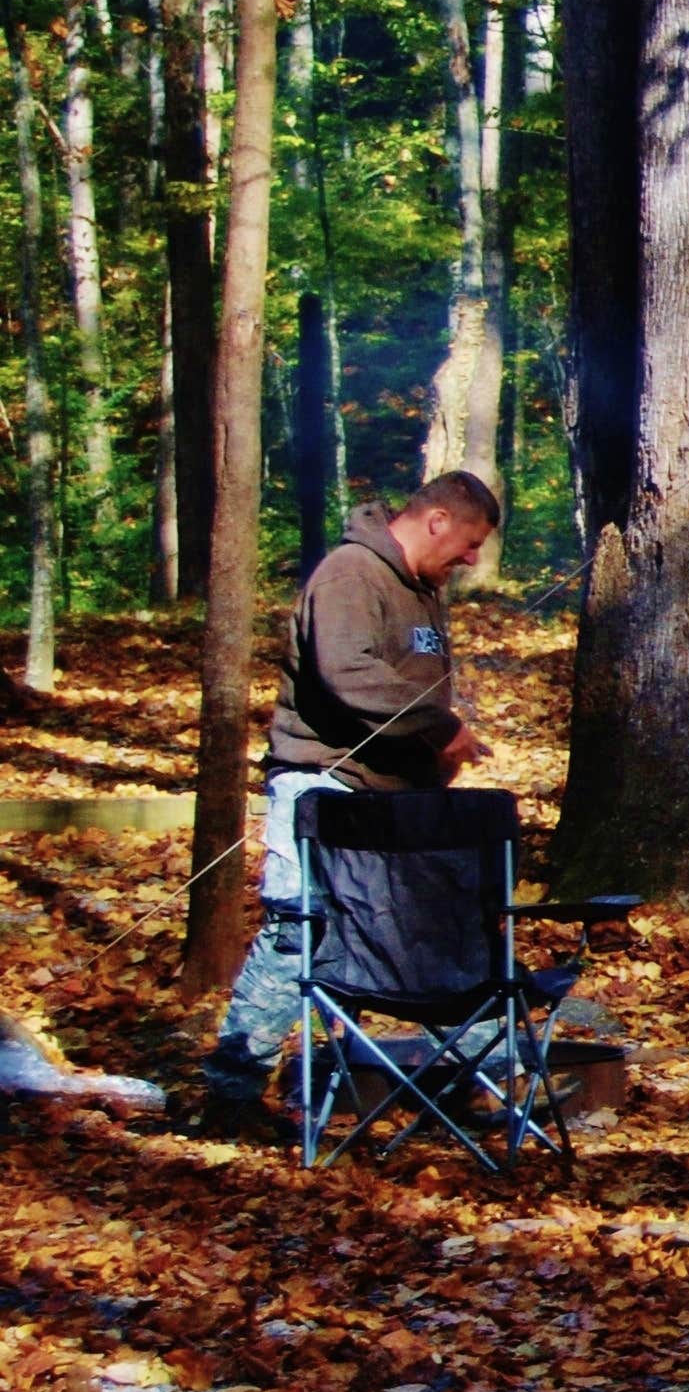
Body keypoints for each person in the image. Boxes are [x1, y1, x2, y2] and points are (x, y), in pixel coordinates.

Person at [201, 471, 502, 1129]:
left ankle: (453, 1084)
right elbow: (349, 677)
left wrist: (431, 760)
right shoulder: (350, 574)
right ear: (437, 521)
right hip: (322, 790)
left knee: (409, 936)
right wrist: (440, 726)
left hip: (389, 802)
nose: (473, 559)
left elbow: (412, 693)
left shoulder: (421, 593)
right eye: (470, 542)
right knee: (297, 935)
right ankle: (229, 1093)